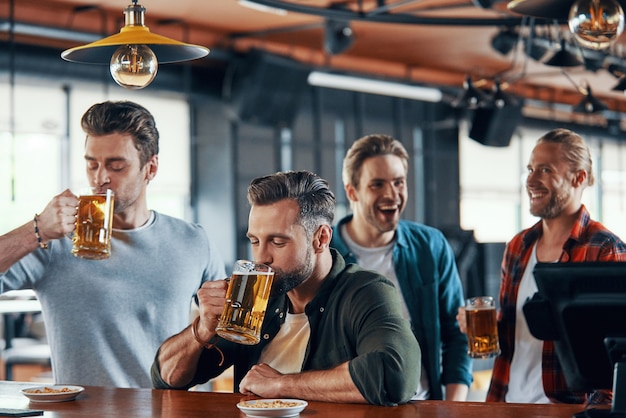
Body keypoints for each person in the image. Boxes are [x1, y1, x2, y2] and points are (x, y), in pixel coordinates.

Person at [0, 100, 226, 388]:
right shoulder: (54, 241)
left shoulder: (194, 240)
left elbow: (226, 334)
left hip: (168, 411)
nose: (100, 178)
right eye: (91, 164)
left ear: (151, 168)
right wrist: (36, 230)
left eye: (116, 166)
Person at [151, 170, 420, 406]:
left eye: (277, 242)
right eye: (255, 241)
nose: (261, 258)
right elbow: (167, 379)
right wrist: (202, 329)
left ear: (321, 238)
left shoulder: (365, 291)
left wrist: (282, 386)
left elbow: (394, 375)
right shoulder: (257, 299)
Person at [460, 128, 626, 403]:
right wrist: (479, 328)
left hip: (565, 410)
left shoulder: (605, 249)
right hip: (507, 403)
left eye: (546, 170)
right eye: (530, 169)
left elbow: (618, 353)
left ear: (578, 177)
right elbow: (514, 334)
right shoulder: (518, 246)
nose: (532, 180)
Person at [330, 134, 472, 401]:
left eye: (399, 182)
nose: (391, 195)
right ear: (352, 191)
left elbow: (457, 333)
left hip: (425, 404)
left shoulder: (431, 245)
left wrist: (453, 407)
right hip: (351, 407)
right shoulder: (325, 255)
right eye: (377, 184)